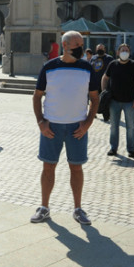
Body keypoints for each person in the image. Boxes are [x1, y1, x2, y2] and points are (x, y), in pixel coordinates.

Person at [31, 30, 99, 226]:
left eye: (82, 44)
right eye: (77, 45)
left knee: (76, 167)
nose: (81, 48)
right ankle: (44, 207)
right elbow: (37, 96)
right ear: (65, 46)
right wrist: (41, 121)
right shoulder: (49, 67)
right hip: (51, 126)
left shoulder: (87, 68)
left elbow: (95, 98)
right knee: (48, 166)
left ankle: (78, 209)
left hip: (76, 128)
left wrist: (88, 123)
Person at [103, 43, 134, 158]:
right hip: (114, 101)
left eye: (126, 50)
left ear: (129, 53)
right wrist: (104, 92)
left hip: (130, 101)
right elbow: (105, 78)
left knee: (130, 126)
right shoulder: (112, 64)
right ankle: (113, 148)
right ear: (118, 52)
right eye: (122, 50)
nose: (124, 52)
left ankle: (131, 149)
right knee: (113, 126)